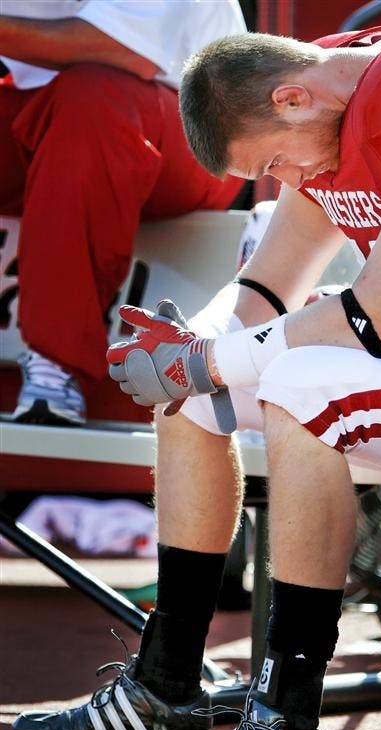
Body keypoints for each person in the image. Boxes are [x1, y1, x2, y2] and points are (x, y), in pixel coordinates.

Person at [13, 17, 381, 730]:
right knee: (195, 400)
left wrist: (207, 360)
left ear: (293, 97)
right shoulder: (323, 100)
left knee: (300, 388)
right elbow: (268, 290)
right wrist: (185, 352)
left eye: (273, 161)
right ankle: (164, 685)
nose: (286, 176)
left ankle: (284, 729)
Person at [0, 0, 246, 425]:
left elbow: (122, 49)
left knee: (93, 94)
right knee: (84, 100)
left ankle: (56, 363)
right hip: (45, 116)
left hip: (200, 130)